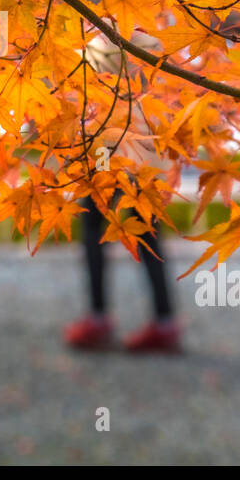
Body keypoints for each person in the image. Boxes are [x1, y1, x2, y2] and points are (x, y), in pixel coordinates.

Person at [62, 28, 183, 354]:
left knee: (92, 229)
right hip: (146, 155)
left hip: (107, 152)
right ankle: (164, 321)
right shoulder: (156, 38)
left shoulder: (97, 36)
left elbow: (82, 101)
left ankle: (99, 316)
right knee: (148, 235)